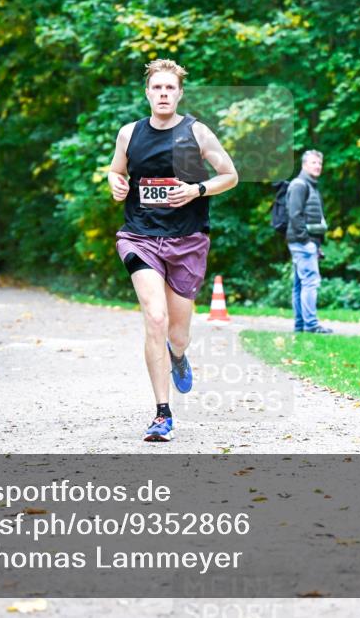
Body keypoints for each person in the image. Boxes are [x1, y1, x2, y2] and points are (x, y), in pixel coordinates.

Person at [107, 59, 238, 442]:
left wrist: (196, 190)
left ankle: (178, 356)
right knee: (156, 318)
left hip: (186, 240)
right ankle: (162, 414)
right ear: (147, 92)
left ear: (179, 93)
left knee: (178, 335)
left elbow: (230, 176)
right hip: (140, 236)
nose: (163, 94)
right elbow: (117, 171)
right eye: (157, 88)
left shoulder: (196, 132)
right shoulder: (130, 134)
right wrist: (116, 184)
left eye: (170, 88)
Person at [285, 150, 333, 334]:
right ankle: (311, 325)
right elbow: (294, 215)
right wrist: (306, 241)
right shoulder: (299, 185)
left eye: (319, 163)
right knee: (310, 282)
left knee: (300, 284)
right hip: (302, 242)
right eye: (314, 162)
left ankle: (300, 325)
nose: (318, 166)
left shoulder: (310, 185)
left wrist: (316, 244)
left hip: (306, 242)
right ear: (304, 164)